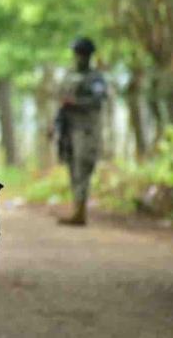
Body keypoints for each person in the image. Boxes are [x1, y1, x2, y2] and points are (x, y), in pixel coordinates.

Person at [54, 37, 106, 226]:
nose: (78, 57)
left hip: (86, 130)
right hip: (68, 129)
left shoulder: (95, 78)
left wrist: (77, 103)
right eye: (77, 53)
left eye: (82, 54)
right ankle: (77, 209)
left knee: (83, 167)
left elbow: (98, 101)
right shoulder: (68, 75)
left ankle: (80, 211)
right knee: (72, 168)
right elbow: (60, 101)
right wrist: (54, 125)